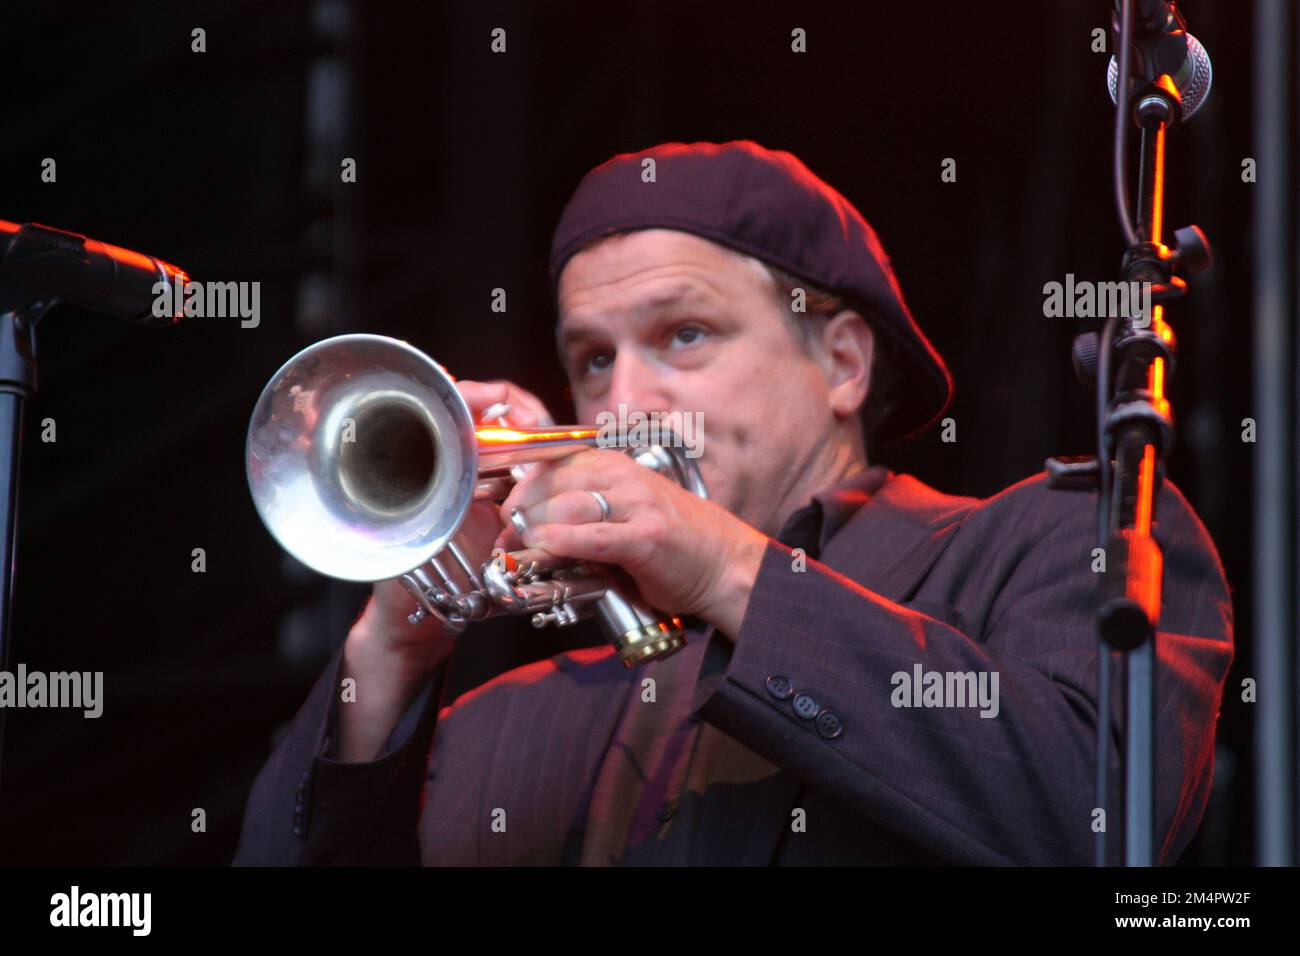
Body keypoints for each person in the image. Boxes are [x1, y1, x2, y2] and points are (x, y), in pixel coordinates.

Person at [233, 140, 1233, 866]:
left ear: (840, 361)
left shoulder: (1049, 541)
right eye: (592, 357)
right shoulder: (502, 720)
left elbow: (1094, 820)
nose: (622, 405)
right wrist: (395, 641)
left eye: (684, 334)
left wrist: (724, 568)